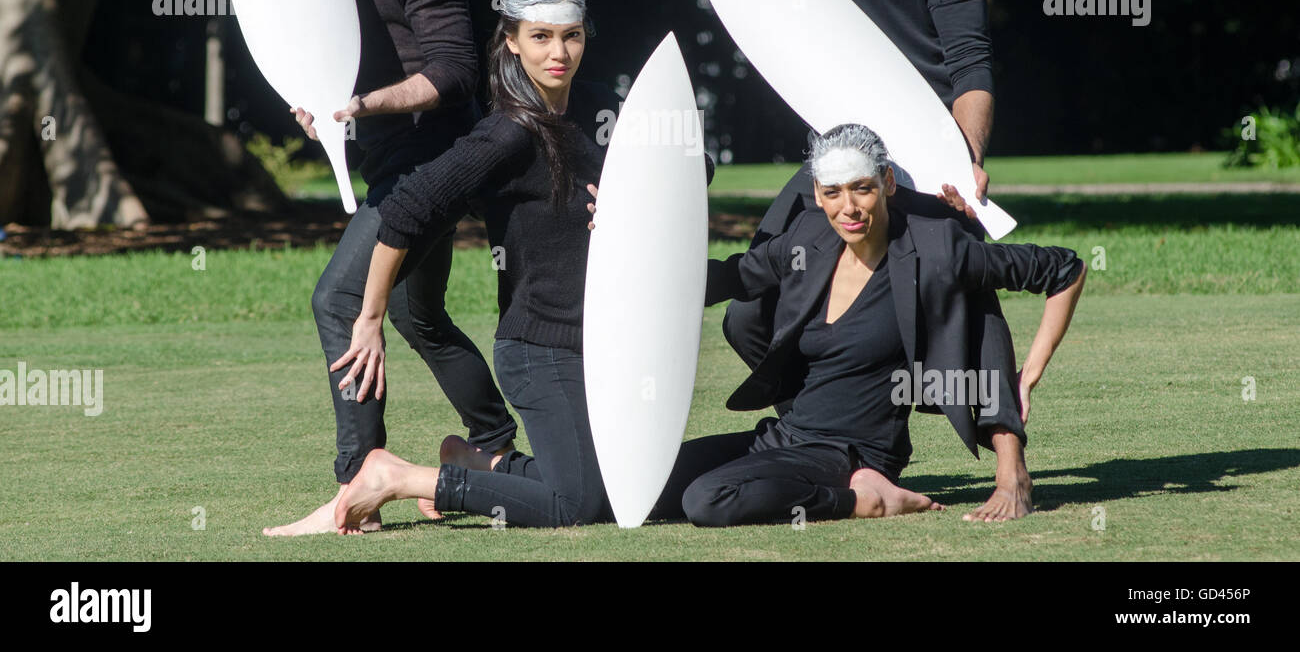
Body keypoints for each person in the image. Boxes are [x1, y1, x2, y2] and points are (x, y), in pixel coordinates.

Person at [336, 123, 1086, 529]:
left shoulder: (938, 248)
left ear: (887, 183)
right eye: (832, 191)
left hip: (849, 454)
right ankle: (484, 468)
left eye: (864, 187)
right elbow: (728, 276)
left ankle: (869, 496)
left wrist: (1031, 371)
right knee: (631, 489)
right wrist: (639, 236)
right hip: (783, 438)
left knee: (708, 503)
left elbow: (1063, 268)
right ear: (816, 195)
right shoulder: (810, 245)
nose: (850, 206)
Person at [681, 0, 1034, 520]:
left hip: (917, 164)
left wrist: (965, 162)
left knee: (958, 293)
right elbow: (794, 28)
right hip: (839, 162)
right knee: (751, 309)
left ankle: (1011, 471)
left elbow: (971, 67)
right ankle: (836, 432)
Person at [256, 0, 516, 536]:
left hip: (435, 155)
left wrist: (365, 104)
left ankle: (358, 482)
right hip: (382, 151)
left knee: (340, 301)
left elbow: (455, 71)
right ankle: (493, 450)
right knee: (416, 309)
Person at [331, 0, 626, 530]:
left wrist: (629, 193)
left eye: (572, 35)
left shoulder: (600, 106)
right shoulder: (508, 132)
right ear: (511, 42)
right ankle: (406, 478)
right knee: (577, 505)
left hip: (604, 343)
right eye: (540, 37)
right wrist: (370, 316)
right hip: (539, 348)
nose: (558, 51)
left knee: (619, 485)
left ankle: (482, 460)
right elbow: (407, 209)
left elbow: (695, 167)